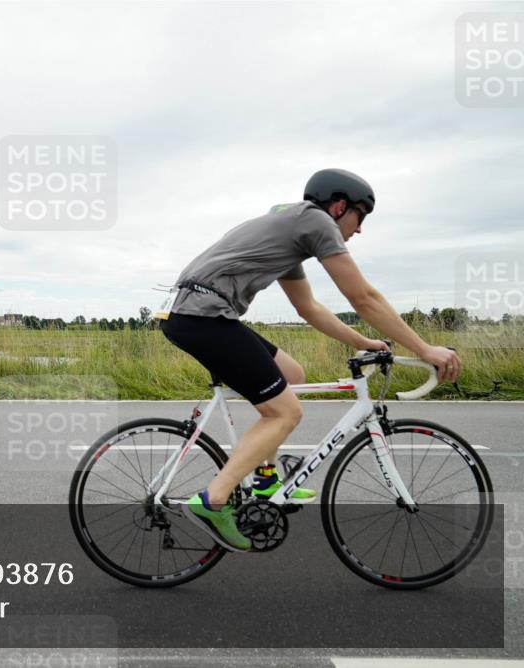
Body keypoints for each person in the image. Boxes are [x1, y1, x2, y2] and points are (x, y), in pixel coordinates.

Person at [158, 168, 463, 551]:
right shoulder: (315, 222)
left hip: (198, 314)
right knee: (284, 413)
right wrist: (424, 349)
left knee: (291, 373)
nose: (360, 229)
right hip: (202, 316)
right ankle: (213, 500)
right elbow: (363, 297)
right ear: (339, 207)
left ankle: (266, 478)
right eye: (360, 217)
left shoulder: (290, 230)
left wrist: (364, 340)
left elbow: (309, 308)